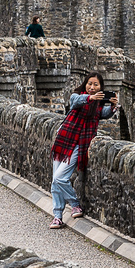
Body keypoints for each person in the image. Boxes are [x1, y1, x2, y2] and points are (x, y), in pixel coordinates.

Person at [48, 72, 113, 228]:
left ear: (101, 87)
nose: (92, 87)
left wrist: (113, 106)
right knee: (55, 181)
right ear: (85, 84)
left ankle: (74, 204)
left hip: (80, 144)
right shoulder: (78, 96)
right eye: (89, 84)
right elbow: (75, 102)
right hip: (64, 140)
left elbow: (103, 115)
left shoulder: (98, 105)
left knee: (59, 178)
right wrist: (89, 98)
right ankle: (58, 216)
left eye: (96, 85)